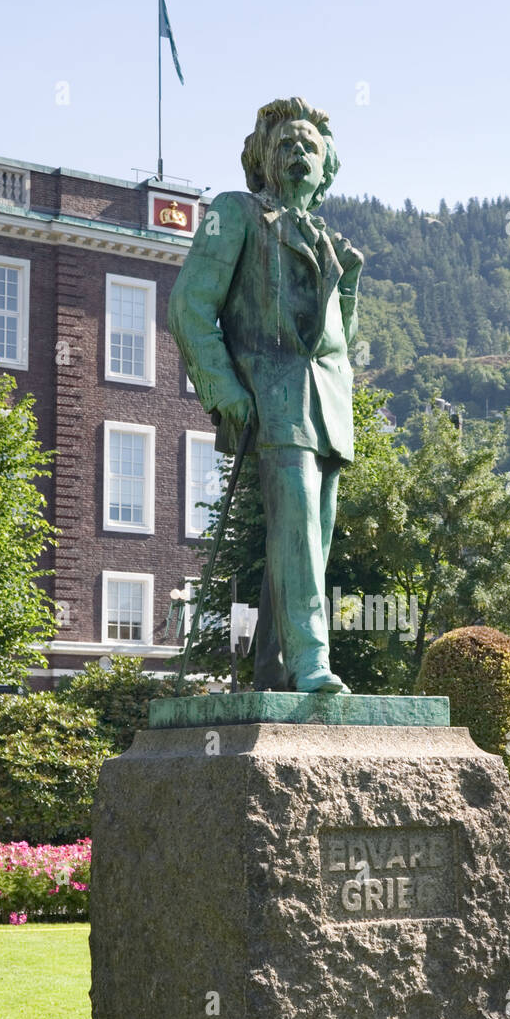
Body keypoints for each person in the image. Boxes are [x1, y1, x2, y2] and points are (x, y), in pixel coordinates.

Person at [169, 96, 363, 693]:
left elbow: (337, 340)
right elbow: (188, 308)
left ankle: (274, 671)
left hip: (327, 403)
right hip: (271, 392)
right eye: (287, 145)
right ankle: (311, 659)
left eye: (310, 145)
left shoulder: (331, 242)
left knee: (309, 536)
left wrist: (346, 284)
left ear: (328, 164)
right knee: (300, 520)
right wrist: (224, 388)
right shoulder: (236, 213)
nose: (300, 153)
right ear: (262, 160)